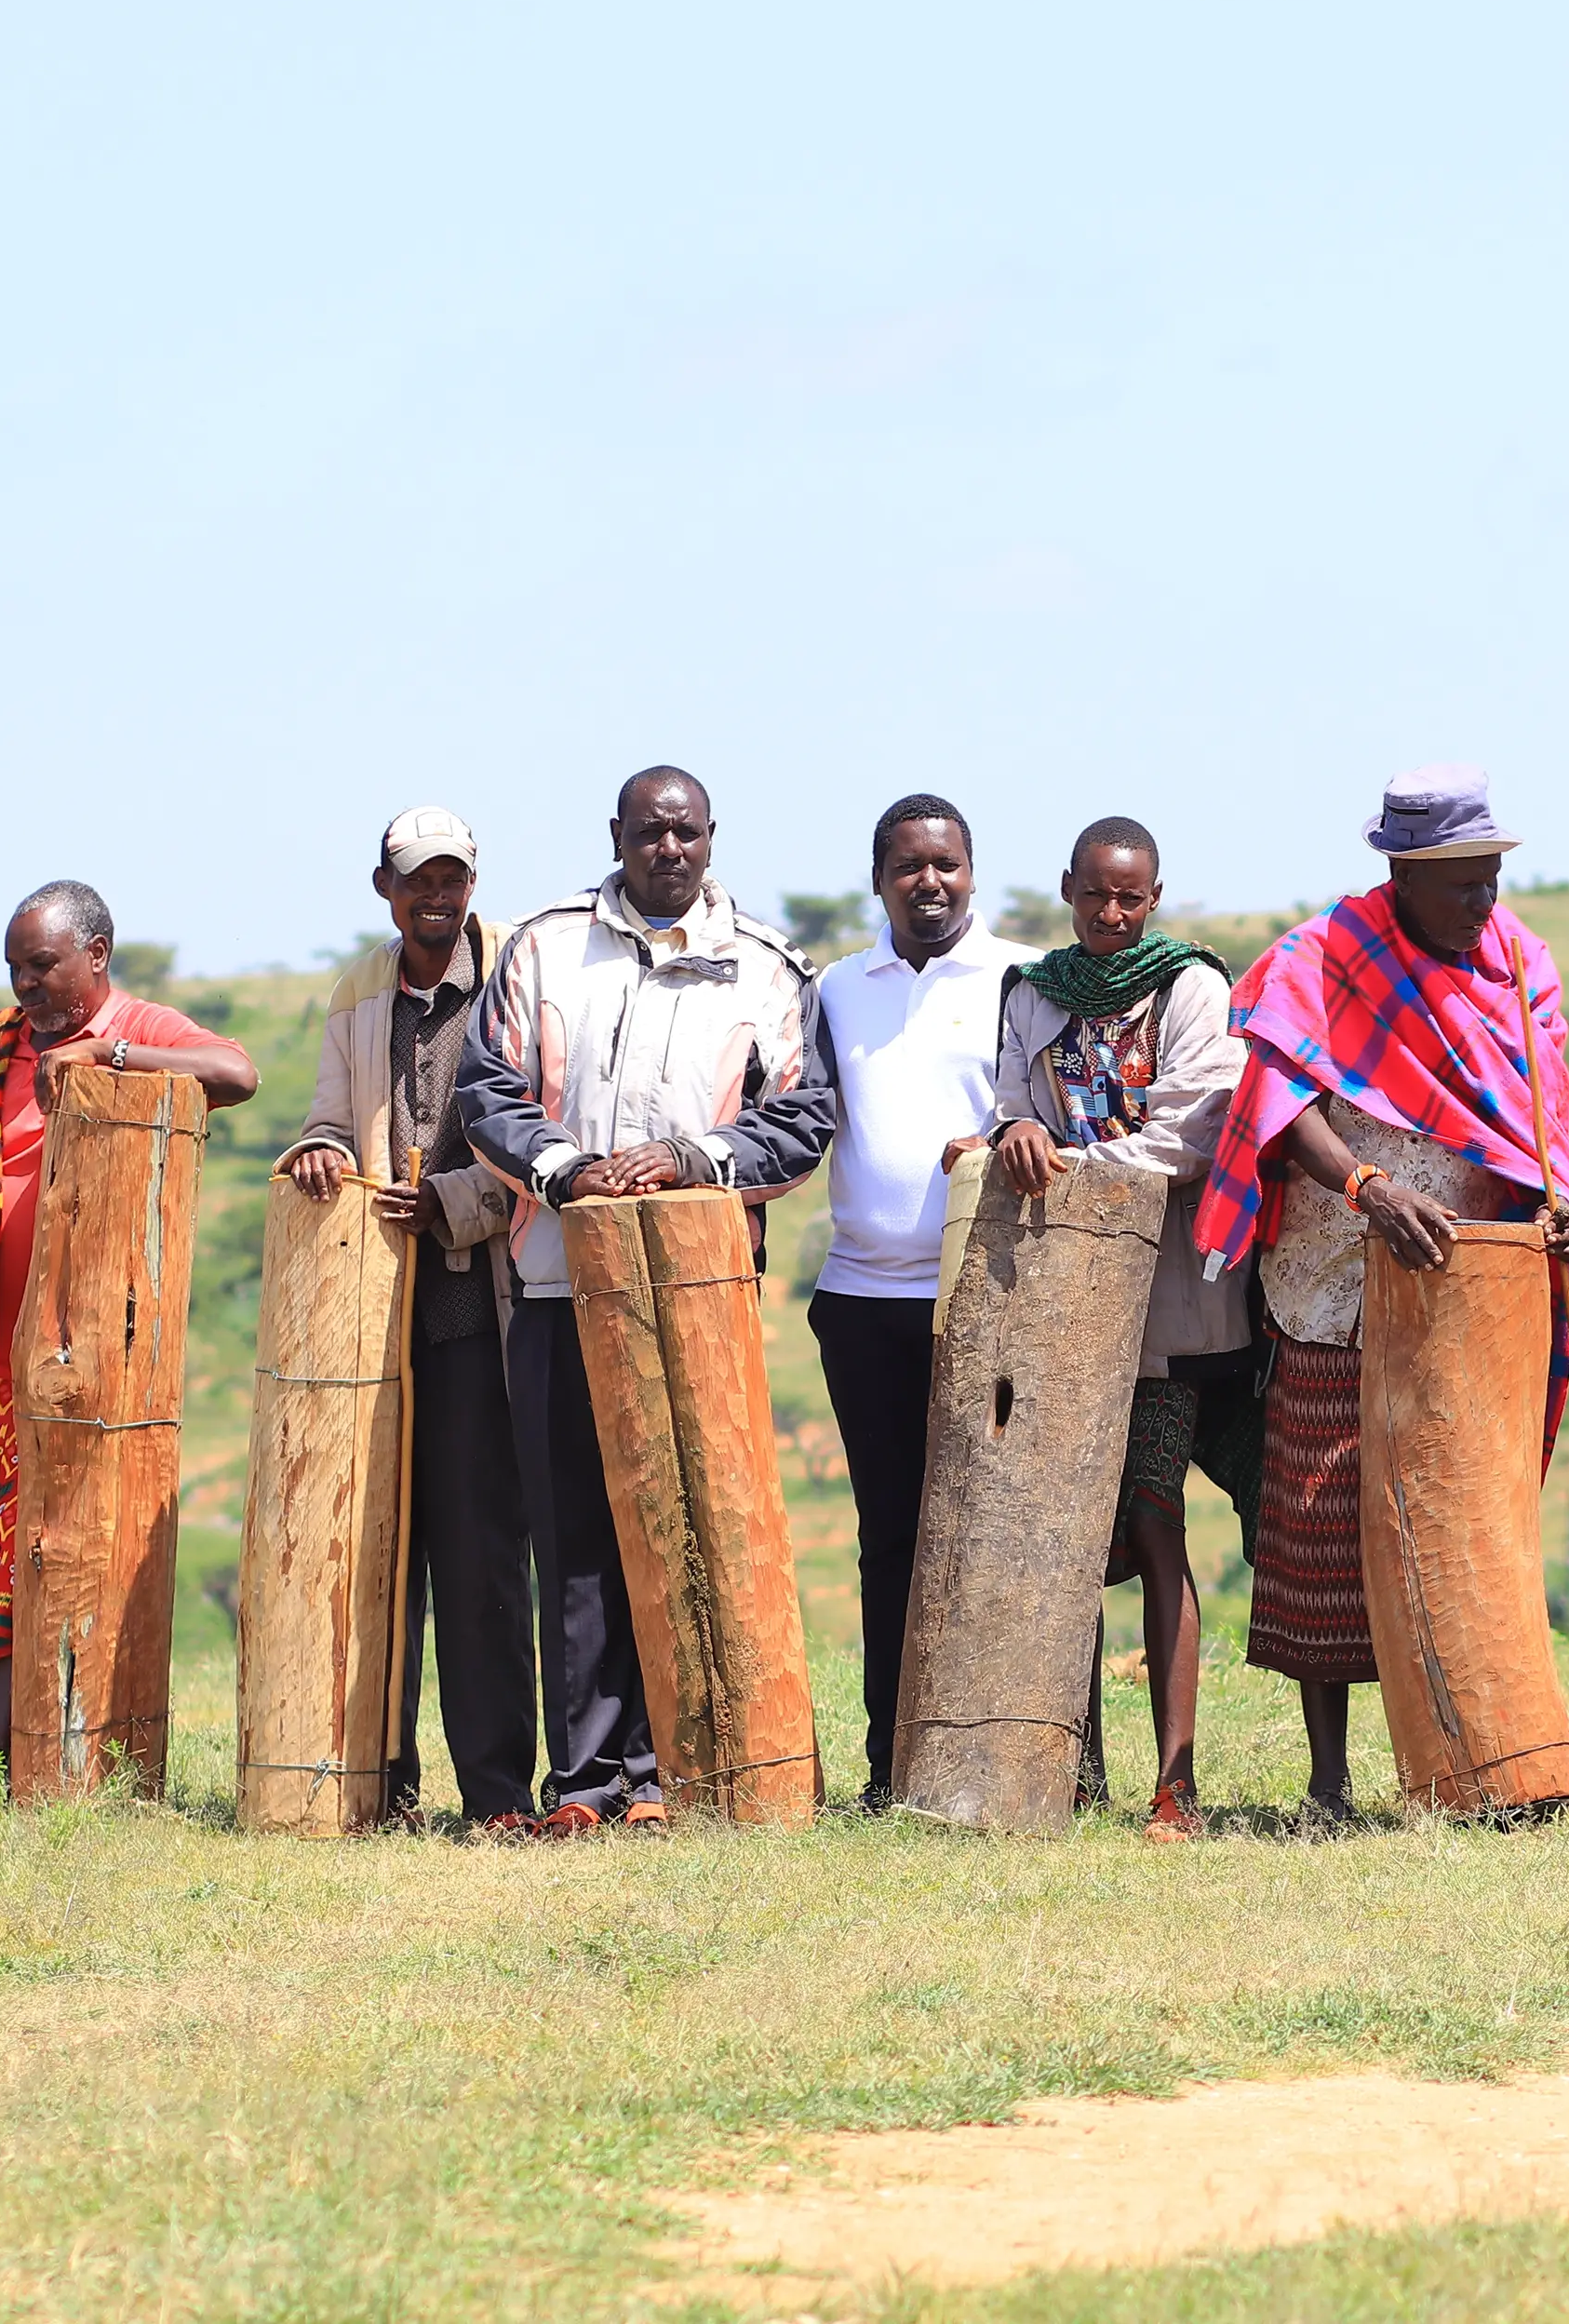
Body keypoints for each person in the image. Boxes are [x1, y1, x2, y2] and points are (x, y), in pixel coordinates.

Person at [1193, 767, 1569, 1819]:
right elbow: (1280, 1102)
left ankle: (1472, 1759)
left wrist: (1552, 1210)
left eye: (1493, 878)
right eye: (1462, 883)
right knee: (1323, 1520)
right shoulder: (1323, 958)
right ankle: (1330, 1778)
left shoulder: (1517, 963)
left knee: (1461, 1515)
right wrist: (1368, 1185)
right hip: (1334, 1269)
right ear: (1403, 874)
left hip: (1467, 1276)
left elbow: (1536, 1125)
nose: (1483, 904)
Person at [460, 767, 834, 1837]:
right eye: (648, 832)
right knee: (573, 1534)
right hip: (557, 1280)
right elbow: (487, 1089)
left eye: (686, 833)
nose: (668, 848)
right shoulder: (543, 947)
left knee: (687, 1525)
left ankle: (676, 1772)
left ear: (712, 837)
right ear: (616, 835)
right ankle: (586, 1786)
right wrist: (566, 1169)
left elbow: (803, 1117)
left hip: (700, 1303)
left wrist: (689, 1159)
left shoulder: (765, 967)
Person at [0, 881, 257, 1766]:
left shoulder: (139, 1028)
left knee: (54, 1557)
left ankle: (45, 1760)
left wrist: (110, 1061)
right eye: (14, 970)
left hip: (76, 1364)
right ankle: (0, 1756)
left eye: (42, 966)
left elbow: (237, 1073)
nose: (24, 987)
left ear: (97, 955)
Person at [275, 806, 540, 1834]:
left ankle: (498, 1798)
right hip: (367, 1323)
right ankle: (379, 1785)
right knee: (374, 1551)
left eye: (453, 878)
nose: (438, 896)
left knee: (479, 1562)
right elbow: (327, 1122)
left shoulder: (516, 976)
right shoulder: (358, 990)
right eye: (418, 880)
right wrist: (320, 1153)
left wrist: (458, 1201)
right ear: (383, 888)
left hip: (481, 1314)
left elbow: (546, 1132)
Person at [990, 815, 1245, 1839]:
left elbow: (1188, 1134)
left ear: (1155, 896)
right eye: (1096, 894)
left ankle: (1173, 1783)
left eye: (1130, 898)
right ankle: (1075, 1768)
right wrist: (1018, 1130)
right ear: (1067, 887)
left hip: (1164, 1299)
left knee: (1154, 1517)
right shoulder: (1031, 991)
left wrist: (1065, 1159)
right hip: (1053, 1297)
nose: (1111, 913)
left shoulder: (1190, 987)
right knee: (1064, 1538)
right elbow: (1011, 1103)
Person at [798, 795, 1036, 1807]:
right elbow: (803, 1117)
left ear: (972, 873)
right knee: (889, 1534)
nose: (927, 881)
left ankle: (1050, 1762)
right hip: (861, 1299)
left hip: (996, 1295)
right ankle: (892, 1767)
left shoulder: (1022, 977)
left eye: (945, 863)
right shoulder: (838, 988)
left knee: (1011, 1526)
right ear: (879, 878)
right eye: (908, 866)